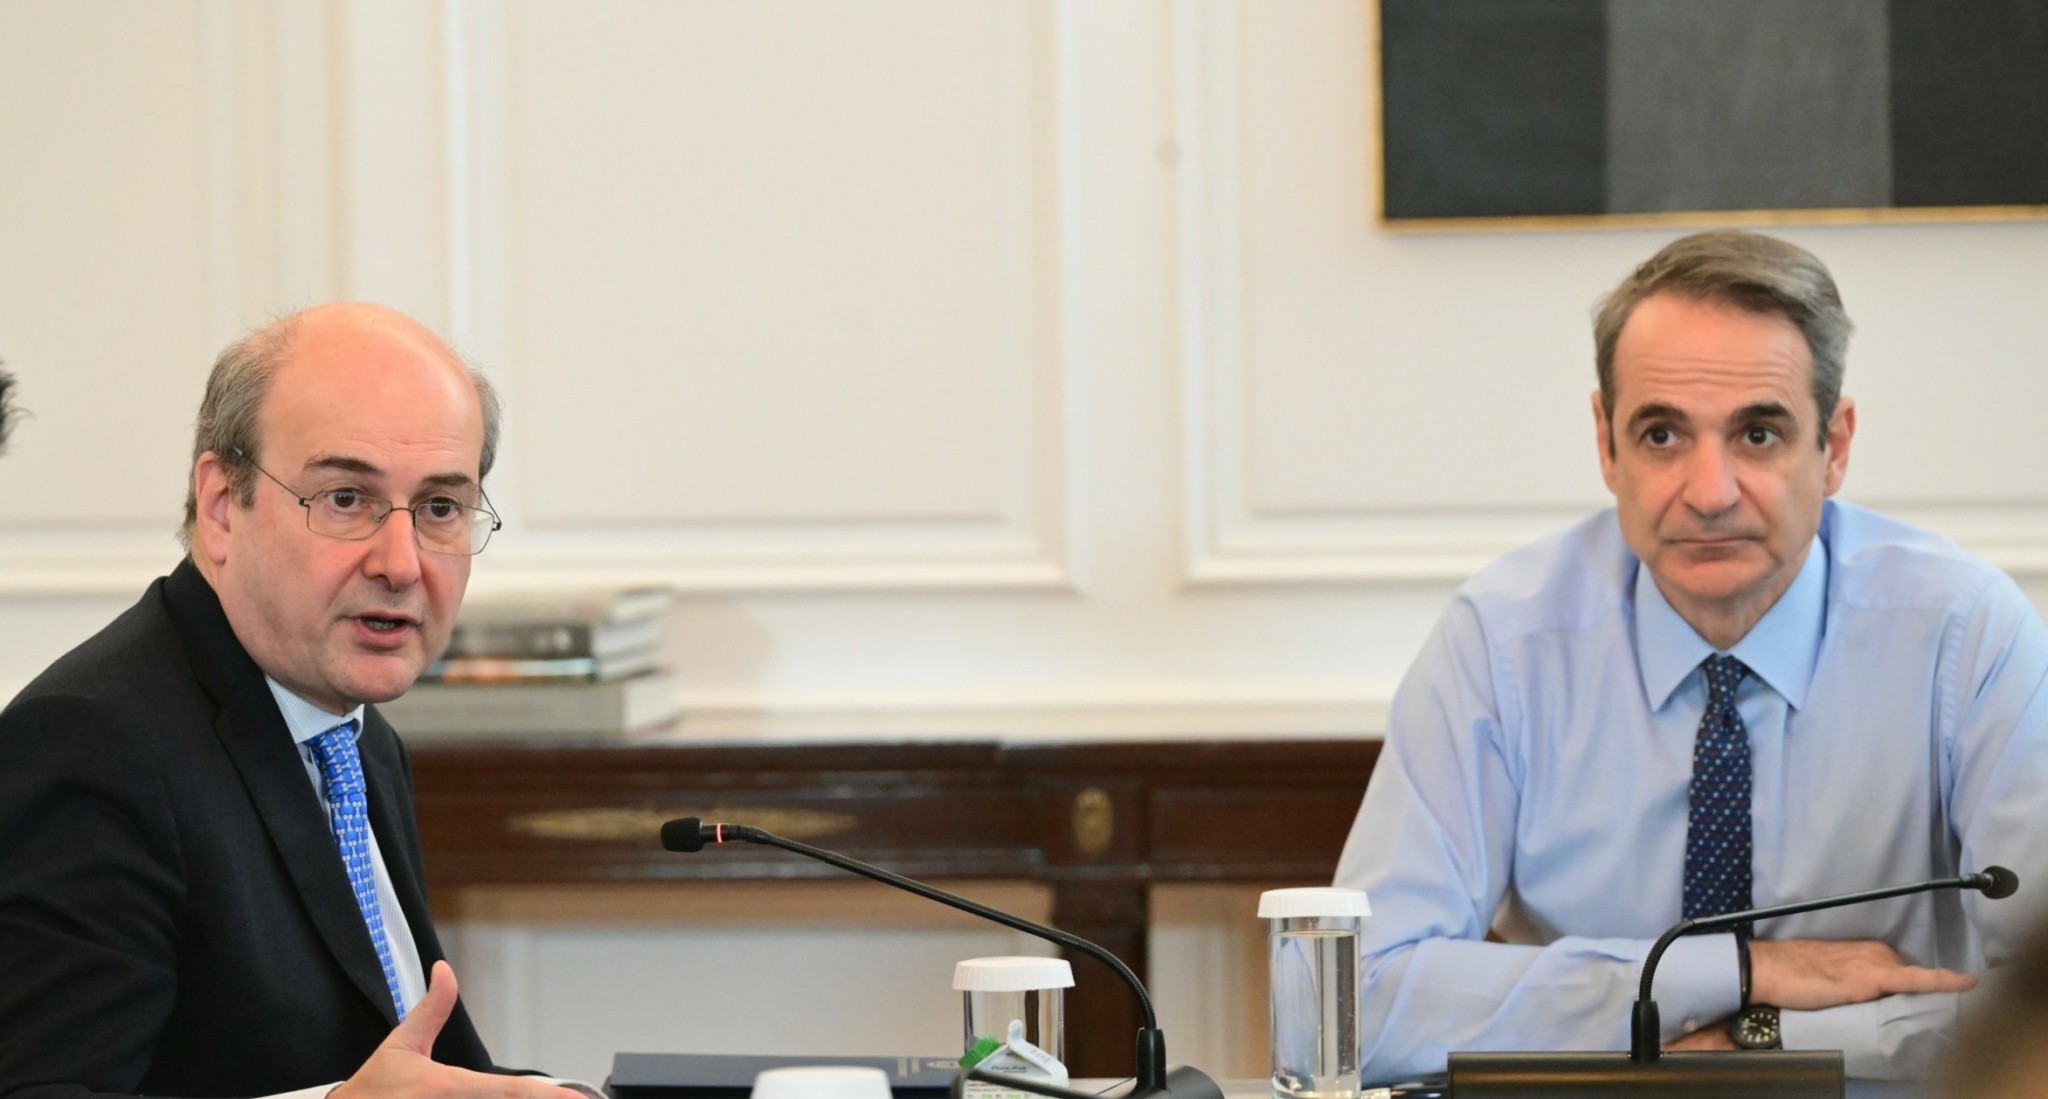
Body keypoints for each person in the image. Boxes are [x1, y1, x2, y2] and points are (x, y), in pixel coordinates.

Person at [1334, 231, 2048, 1084]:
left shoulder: (1966, 640)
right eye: (1663, 434)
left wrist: (1759, 1036)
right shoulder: (1502, 645)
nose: (1709, 493)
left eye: (1758, 434)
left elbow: (2037, 1008)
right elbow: (1354, 1001)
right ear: (1607, 445)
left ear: (1835, 445)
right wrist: (1732, 973)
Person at [0, 305, 583, 1099]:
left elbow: (402, 1070)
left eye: (441, 508)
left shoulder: (354, 734)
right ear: (221, 505)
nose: (402, 563)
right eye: (345, 498)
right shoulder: (92, 746)